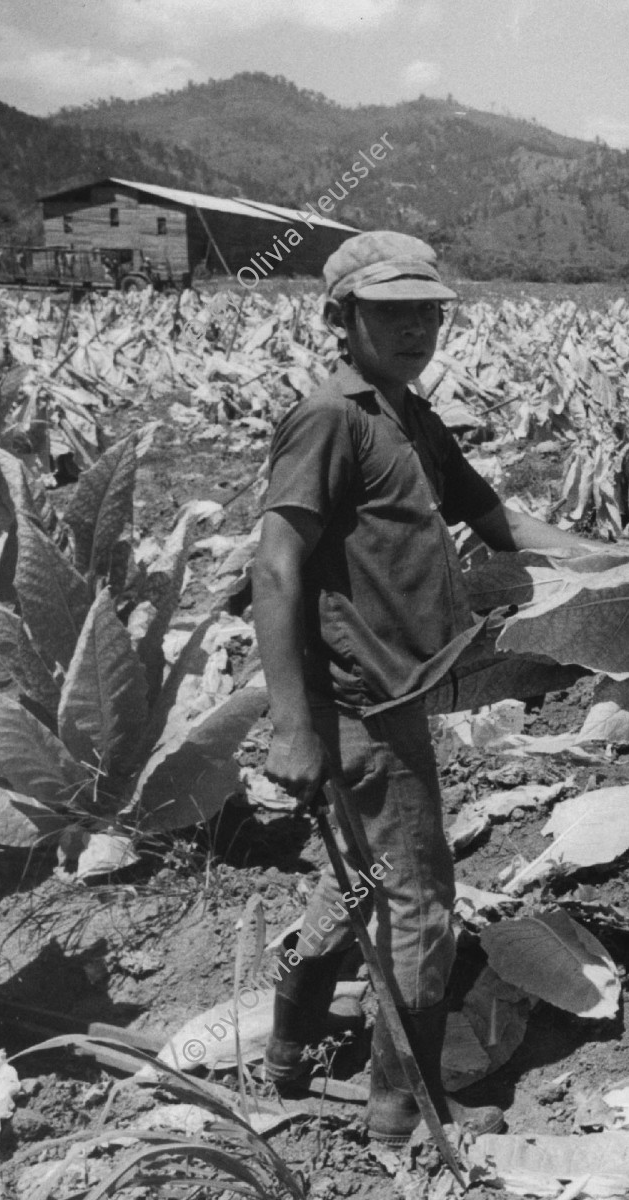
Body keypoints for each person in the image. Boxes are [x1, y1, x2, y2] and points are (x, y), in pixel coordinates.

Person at [253, 231, 594, 1142]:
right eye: (390, 310)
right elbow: (277, 566)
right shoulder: (332, 417)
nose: (414, 328)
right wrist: (292, 725)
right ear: (340, 317)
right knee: (420, 905)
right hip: (360, 704)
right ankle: (403, 1111)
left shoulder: (407, 416)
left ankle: (285, 1056)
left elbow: (498, 520)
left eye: (426, 311)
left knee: (362, 883)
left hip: (396, 695)